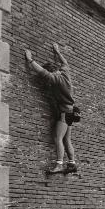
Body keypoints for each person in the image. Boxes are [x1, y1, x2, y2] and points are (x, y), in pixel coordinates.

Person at [25, 43, 77, 173]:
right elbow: (65, 62)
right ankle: (72, 164)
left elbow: (42, 72)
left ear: (51, 71)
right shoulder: (65, 72)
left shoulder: (55, 78)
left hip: (65, 112)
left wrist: (30, 59)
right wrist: (57, 52)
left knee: (57, 138)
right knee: (67, 138)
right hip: (72, 111)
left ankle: (59, 164)